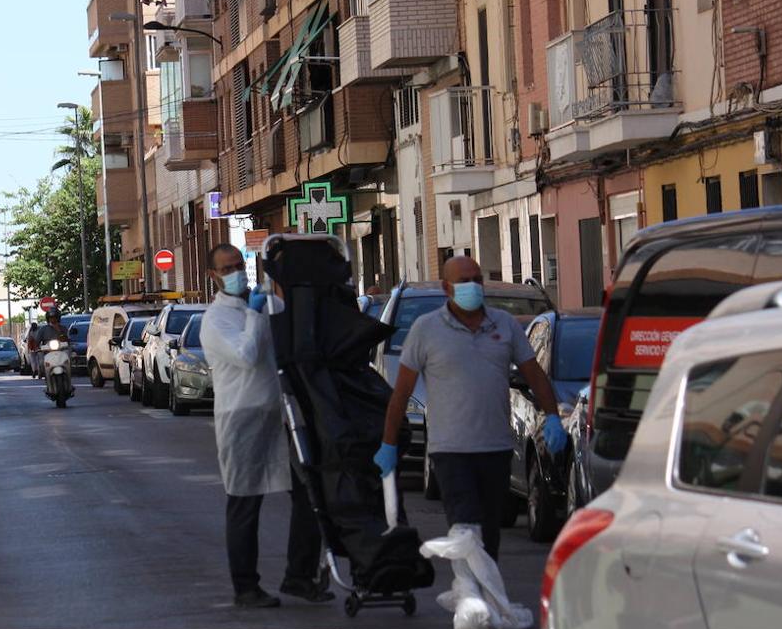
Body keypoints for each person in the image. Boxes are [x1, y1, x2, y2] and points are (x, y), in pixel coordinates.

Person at [375, 255, 565, 561]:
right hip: (450, 451)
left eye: (477, 279)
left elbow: (535, 375)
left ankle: (482, 596)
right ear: (447, 287)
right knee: (465, 527)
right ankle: (472, 597)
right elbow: (401, 393)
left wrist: (553, 416)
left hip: (495, 448)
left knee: (488, 534)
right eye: (464, 281)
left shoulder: (504, 324)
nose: (473, 286)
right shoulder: (426, 329)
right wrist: (388, 444)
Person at [201, 243, 332, 609]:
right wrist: (257, 316)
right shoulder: (217, 319)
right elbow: (247, 355)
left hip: (278, 412)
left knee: (308, 493)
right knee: (245, 501)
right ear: (213, 276)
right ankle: (245, 586)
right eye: (226, 268)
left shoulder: (253, 305)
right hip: (241, 415)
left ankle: (299, 576)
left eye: (237, 265)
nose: (235, 273)